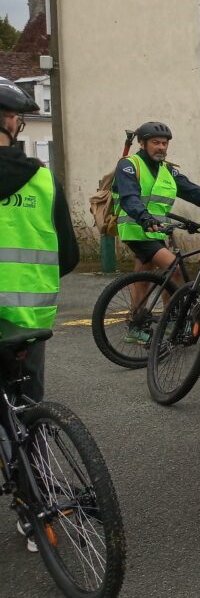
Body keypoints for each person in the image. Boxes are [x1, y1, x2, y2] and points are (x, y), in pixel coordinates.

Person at [0, 76, 79, 551]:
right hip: (28, 319)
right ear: (11, 121)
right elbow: (68, 254)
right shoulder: (44, 179)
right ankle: (37, 509)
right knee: (26, 410)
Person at [111, 121, 200, 343]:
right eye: (155, 142)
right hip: (136, 229)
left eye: (164, 143)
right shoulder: (129, 165)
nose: (161, 147)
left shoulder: (168, 170)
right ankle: (171, 322)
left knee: (142, 281)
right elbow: (129, 198)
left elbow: (195, 193)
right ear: (142, 143)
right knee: (174, 268)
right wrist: (145, 218)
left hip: (156, 232)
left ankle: (135, 326)